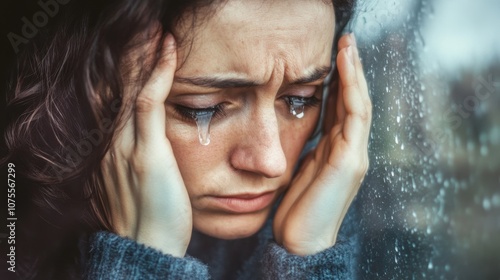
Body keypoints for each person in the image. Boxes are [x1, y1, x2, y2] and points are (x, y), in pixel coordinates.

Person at [1, 0, 371, 279]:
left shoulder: (318, 196)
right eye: (203, 109)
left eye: (300, 100)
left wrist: (309, 257)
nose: (271, 161)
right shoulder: (13, 232)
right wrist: (145, 260)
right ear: (99, 91)